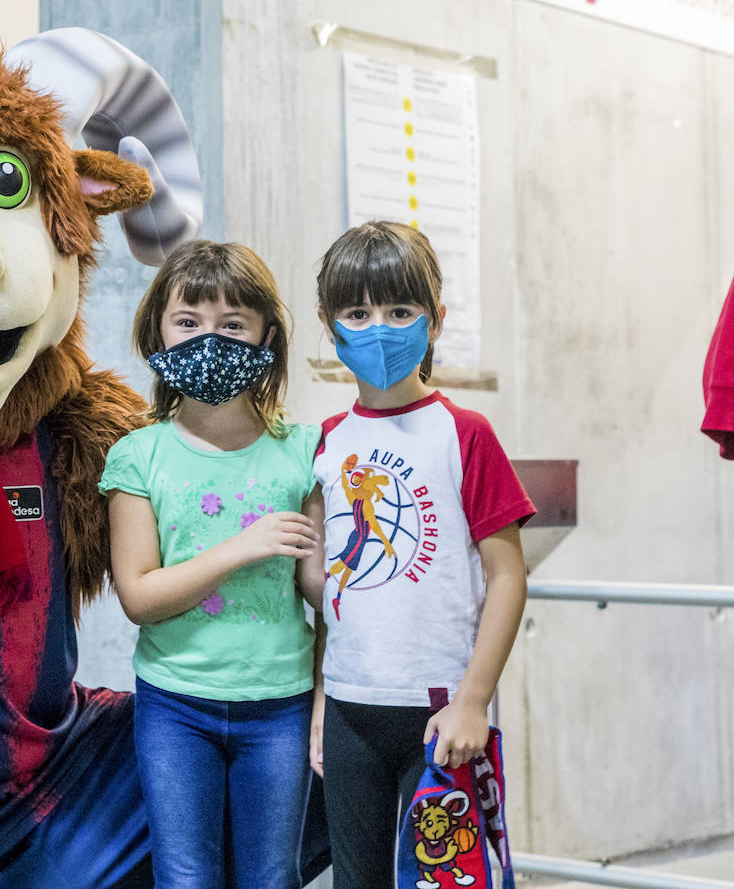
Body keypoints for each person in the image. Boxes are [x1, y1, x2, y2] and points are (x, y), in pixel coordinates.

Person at [307, 221, 534, 887]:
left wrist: (472, 701)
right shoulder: (324, 442)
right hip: (348, 709)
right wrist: (322, 698)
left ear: (435, 320)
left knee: (445, 878)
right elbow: (330, 593)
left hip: (440, 713)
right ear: (329, 326)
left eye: (400, 311)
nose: (378, 329)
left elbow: (508, 577)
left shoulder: (465, 434)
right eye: (357, 314)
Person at [100, 239, 325, 888]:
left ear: (266, 337)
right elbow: (139, 596)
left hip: (281, 706)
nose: (208, 340)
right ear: (158, 332)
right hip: (175, 707)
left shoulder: (307, 451)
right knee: (184, 878)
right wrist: (240, 547)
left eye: (232, 325)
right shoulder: (138, 455)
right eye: (188, 321)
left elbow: (326, 594)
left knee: (272, 878)